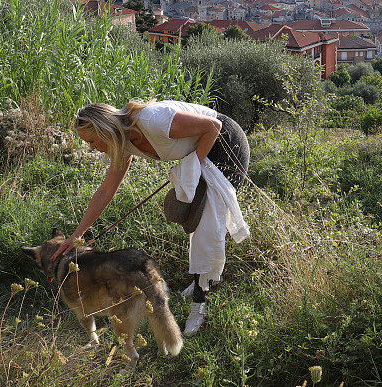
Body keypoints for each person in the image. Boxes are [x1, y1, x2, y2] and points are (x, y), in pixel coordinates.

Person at [51, 99, 250, 335]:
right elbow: (106, 191)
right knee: (192, 218)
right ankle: (204, 277)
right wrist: (77, 235)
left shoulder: (152, 121)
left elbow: (213, 127)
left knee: (207, 227)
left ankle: (200, 300)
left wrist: (191, 166)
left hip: (225, 145)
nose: (92, 148)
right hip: (206, 148)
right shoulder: (123, 144)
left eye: (92, 141)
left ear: (104, 129)